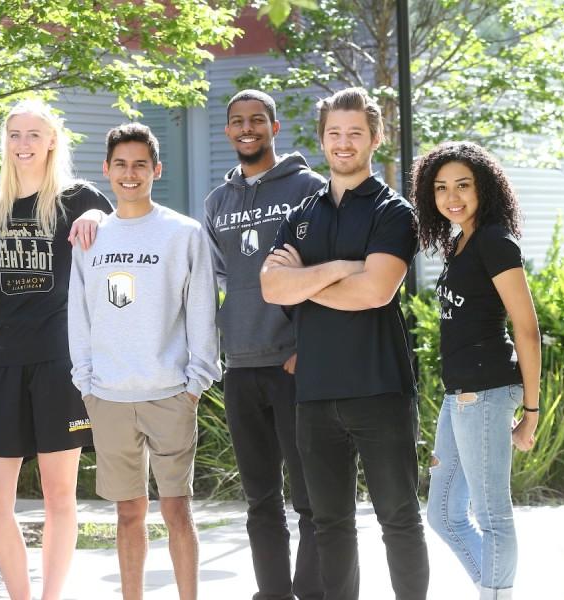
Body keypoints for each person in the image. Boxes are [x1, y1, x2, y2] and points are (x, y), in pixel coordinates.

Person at [260, 87, 429, 600]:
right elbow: (271, 287)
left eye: (355, 132)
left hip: (380, 389)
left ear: (375, 138)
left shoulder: (392, 212)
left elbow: (377, 290)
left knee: (398, 518)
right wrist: (338, 270)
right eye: (334, 132)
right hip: (314, 393)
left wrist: (305, 283)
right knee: (330, 523)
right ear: (322, 139)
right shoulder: (303, 211)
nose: (343, 142)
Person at [0, 99, 113, 600]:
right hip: (1, 366)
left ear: (52, 141)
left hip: (60, 365)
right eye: (14, 135)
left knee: (59, 496)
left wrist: (97, 215)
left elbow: (116, 226)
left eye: (33, 134)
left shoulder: (78, 199)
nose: (23, 144)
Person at [68, 122, 221, 599]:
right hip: (109, 396)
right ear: (106, 170)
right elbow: (80, 311)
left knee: (178, 511)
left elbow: (201, 309)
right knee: (127, 513)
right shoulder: (90, 236)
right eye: (120, 165)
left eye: (139, 165)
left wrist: (196, 382)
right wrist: (86, 383)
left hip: (171, 393)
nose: (129, 174)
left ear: (157, 169)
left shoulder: (183, 233)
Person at [203, 90, 326, 600]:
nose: (246, 128)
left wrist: (310, 347)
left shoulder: (309, 188)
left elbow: (326, 272)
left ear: (275, 128)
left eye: (257, 120)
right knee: (260, 500)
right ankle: (272, 593)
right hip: (242, 366)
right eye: (237, 121)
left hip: (295, 365)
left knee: (312, 499)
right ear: (228, 131)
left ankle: (312, 592)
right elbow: (209, 281)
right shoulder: (217, 201)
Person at [413, 142, 541, 599]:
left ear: (483, 187)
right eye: (442, 187)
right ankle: (493, 590)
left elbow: (526, 329)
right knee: (444, 513)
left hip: (486, 392)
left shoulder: (494, 240)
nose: (452, 196)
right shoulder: (459, 241)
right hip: (460, 394)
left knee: (491, 516)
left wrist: (532, 410)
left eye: (463, 185)